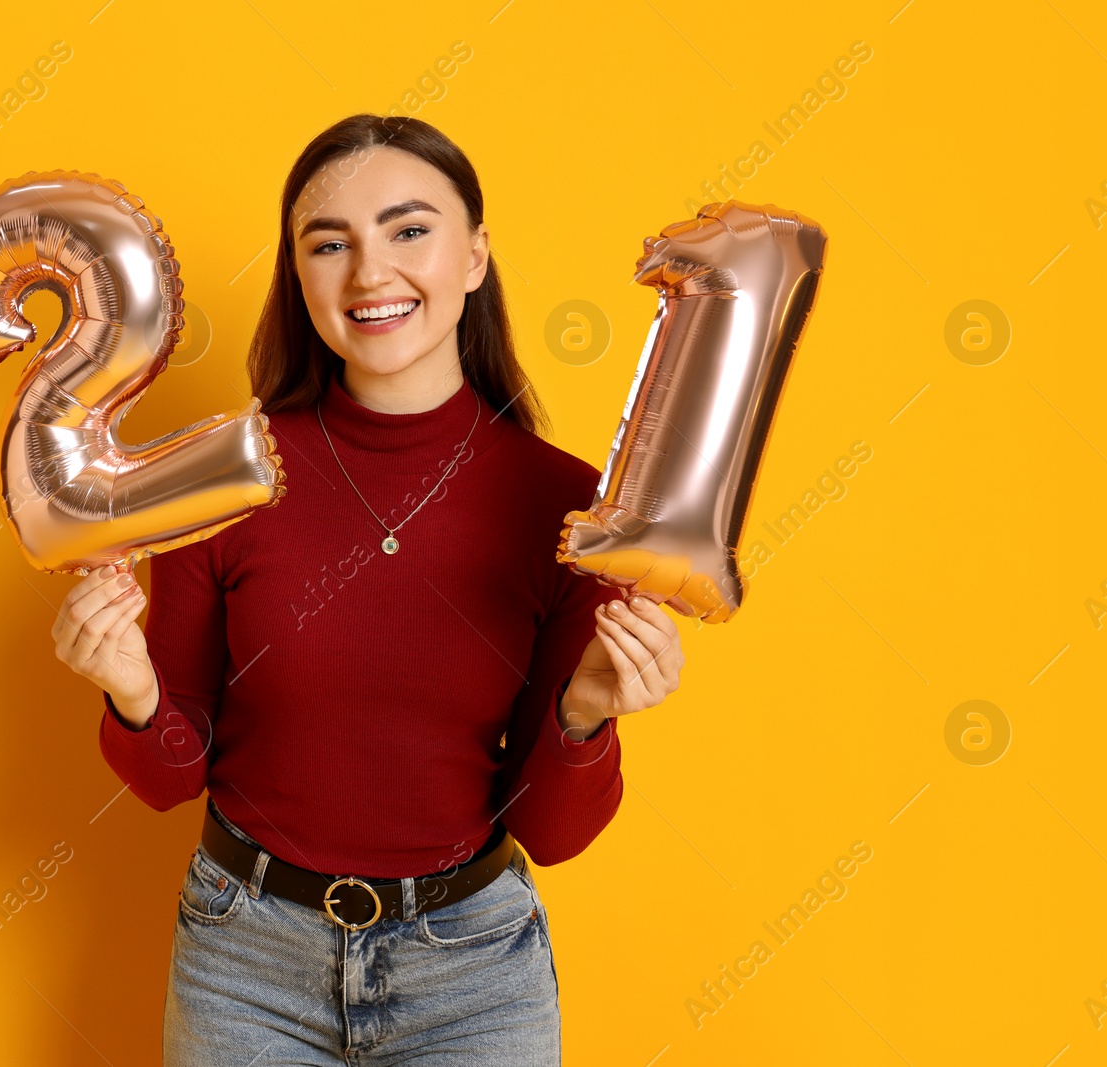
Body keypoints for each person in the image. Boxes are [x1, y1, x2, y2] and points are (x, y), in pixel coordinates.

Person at [52, 113, 686, 1066]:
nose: (370, 273)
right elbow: (169, 778)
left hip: (472, 975)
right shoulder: (219, 479)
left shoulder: (570, 506)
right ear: (298, 275)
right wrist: (132, 693)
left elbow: (550, 834)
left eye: (410, 230)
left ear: (476, 256)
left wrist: (588, 713)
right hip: (244, 964)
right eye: (330, 243)